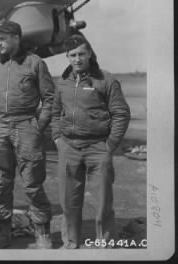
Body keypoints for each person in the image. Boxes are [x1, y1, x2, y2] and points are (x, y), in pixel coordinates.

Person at [0, 21, 55, 249]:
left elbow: (50, 99)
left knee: (32, 183)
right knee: (1, 183)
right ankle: (3, 229)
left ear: (16, 38)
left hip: (26, 127)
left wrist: (38, 126)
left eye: (3, 38)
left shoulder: (35, 63)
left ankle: (42, 230)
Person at [51, 34, 130, 249]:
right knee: (69, 202)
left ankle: (105, 243)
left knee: (103, 202)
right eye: (73, 55)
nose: (77, 59)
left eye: (81, 54)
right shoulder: (63, 82)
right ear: (67, 57)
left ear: (89, 54)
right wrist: (57, 138)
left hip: (98, 147)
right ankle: (71, 243)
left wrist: (110, 145)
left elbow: (121, 114)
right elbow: (55, 112)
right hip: (69, 147)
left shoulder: (106, 80)